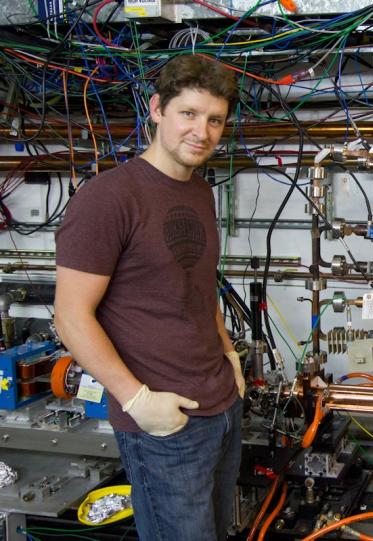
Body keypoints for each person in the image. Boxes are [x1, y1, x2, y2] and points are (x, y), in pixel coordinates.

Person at [54, 55, 244, 540]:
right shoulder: (108, 198)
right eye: (189, 113)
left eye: (214, 120)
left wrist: (228, 354)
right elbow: (71, 316)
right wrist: (136, 398)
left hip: (221, 410)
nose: (201, 131)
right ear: (157, 109)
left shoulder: (199, 192)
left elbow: (198, 289)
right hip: (166, 424)